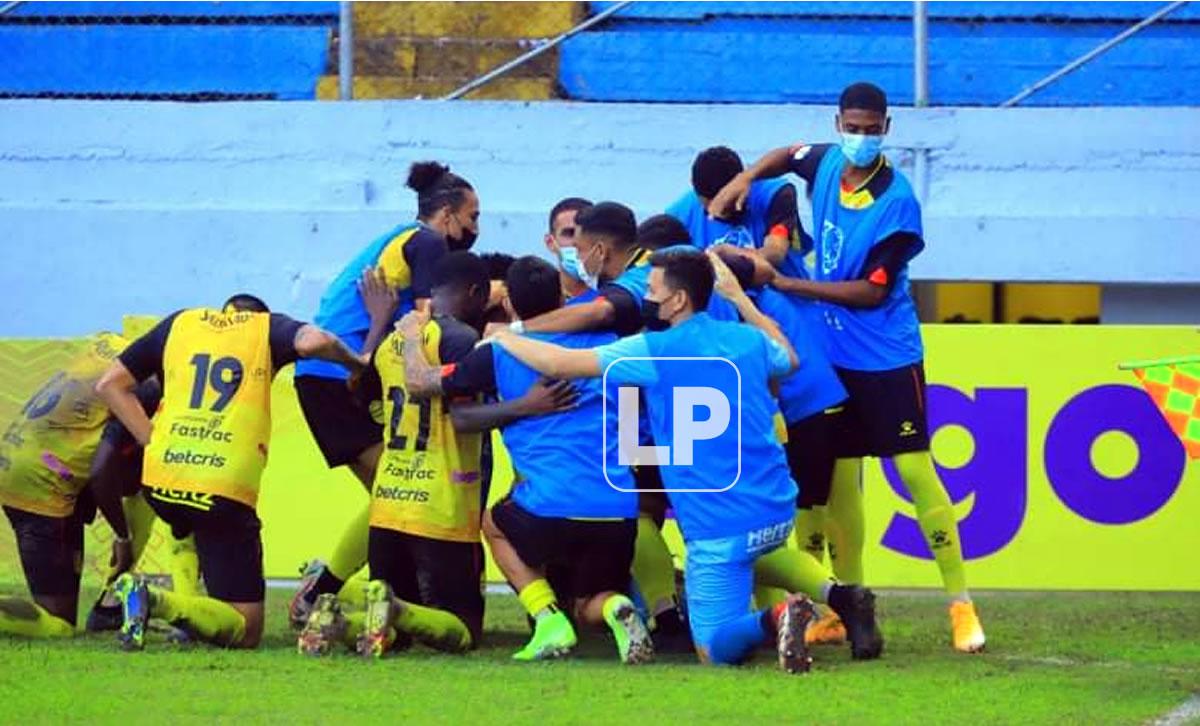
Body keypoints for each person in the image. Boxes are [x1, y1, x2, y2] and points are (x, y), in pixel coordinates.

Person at [487, 248, 883, 672]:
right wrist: (740, 299)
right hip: (774, 506)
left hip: (718, 524)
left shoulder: (652, 350)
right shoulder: (747, 339)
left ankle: (777, 616)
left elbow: (560, 363)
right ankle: (840, 595)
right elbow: (790, 357)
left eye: (652, 290)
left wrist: (507, 337)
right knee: (756, 549)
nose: (646, 299)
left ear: (677, 300)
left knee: (713, 648)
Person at [708, 81, 986, 653]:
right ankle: (836, 608)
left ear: (886, 129)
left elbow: (871, 293)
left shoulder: (898, 202)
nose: (860, 138)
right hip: (827, 356)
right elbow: (787, 155)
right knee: (830, 483)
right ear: (838, 124)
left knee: (914, 471)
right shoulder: (828, 161)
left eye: (870, 130)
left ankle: (961, 605)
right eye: (852, 128)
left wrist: (788, 285)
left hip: (886, 356)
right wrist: (746, 178)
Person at [401, 256, 652, 664]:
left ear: (510, 305)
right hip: (617, 506)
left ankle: (546, 617)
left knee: (493, 523)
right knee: (590, 602)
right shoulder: (609, 347)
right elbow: (635, 423)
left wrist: (413, 335)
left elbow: (419, 382)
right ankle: (615, 607)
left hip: (548, 504)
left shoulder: (497, 353)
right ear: (561, 299)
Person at [96, 294, 368, 650]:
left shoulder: (180, 323)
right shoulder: (264, 328)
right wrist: (356, 364)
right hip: (221, 487)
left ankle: (183, 611)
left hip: (162, 480)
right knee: (246, 627)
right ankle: (156, 600)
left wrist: (152, 440)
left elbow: (109, 385)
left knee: (188, 521)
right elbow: (315, 341)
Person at [289, 160, 481, 629]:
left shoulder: (398, 239)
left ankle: (376, 596)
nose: (476, 228)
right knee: (396, 494)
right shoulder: (428, 242)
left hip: (328, 375)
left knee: (393, 494)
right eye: (472, 217)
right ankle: (325, 589)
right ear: (447, 215)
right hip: (337, 376)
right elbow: (429, 320)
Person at [0, 333, 160, 638]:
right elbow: (102, 471)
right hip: (43, 482)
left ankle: (109, 607)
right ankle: (110, 603)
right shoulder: (147, 389)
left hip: (21, 459)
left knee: (145, 483)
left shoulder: (114, 346)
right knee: (59, 627)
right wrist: (123, 537)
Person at [668, 145, 810, 277]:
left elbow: (775, 253)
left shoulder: (775, 195)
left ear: (740, 184)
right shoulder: (681, 212)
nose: (715, 214)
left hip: (781, 291)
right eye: (708, 208)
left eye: (726, 205)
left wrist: (730, 254)